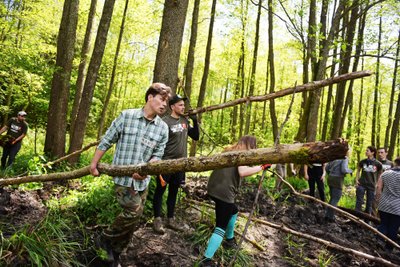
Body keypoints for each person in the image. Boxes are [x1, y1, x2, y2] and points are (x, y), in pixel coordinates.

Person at [90, 83, 171, 264]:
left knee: (135, 220)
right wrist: (94, 164)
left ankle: (116, 253)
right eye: (162, 99)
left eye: (167, 101)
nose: (165, 104)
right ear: (150, 97)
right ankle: (103, 238)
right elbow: (107, 140)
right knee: (132, 213)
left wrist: (146, 169)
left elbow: (158, 154)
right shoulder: (127, 116)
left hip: (143, 182)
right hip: (123, 178)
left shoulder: (163, 128)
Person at [199, 136, 271, 267]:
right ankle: (206, 260)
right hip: (224, 193)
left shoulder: (228, 151)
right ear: (249, 146)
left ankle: (230, 239)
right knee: (221, 226)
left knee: (233, 211)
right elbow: (242, 172)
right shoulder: (241, 154)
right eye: (253, 147)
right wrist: (261, 167)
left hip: (213, 188)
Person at [152, 94, 199, 234]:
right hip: (166, 163)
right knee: (160, 191)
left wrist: (195, 122)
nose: (183, 107)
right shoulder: (164, 122)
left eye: (183, 105)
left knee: (173, 191)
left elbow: (195, 136)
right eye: (180, 105)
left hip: (181, 164)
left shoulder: (185, 120)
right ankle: (157, 220)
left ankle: (170, 219)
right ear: (172, 107)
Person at [376, 157, 400, 251]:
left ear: (395, 163)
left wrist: (378, 199)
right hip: (397, 207)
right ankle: (388, 249)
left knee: (383, 224)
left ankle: (380, 240)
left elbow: (378, 187)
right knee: (393, 228)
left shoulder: (385, 173)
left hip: (384, 204)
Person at [324, 153, 353, 222]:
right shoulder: (344, 158)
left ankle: (327, 215)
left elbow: (326, 167)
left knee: (332, 198)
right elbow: (344, 170)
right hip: (338, 179)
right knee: (336, 198)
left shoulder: (334, 157)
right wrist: (350, 170)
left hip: (330, 178)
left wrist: (330, 174)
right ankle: (331, 217)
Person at [355, 146, 382, 215]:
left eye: (367, 151)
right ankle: (356, 218)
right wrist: (356, 179)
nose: (366, 152)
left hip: (372, 185)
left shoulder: (378, 164)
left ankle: (367, 221)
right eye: (366, 150)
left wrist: (377, 183)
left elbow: (380, 174)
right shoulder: (362, 161)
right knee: (359, 201)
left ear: (372, 152)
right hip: (361, 184)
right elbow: (358, 170)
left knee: (369, 204)